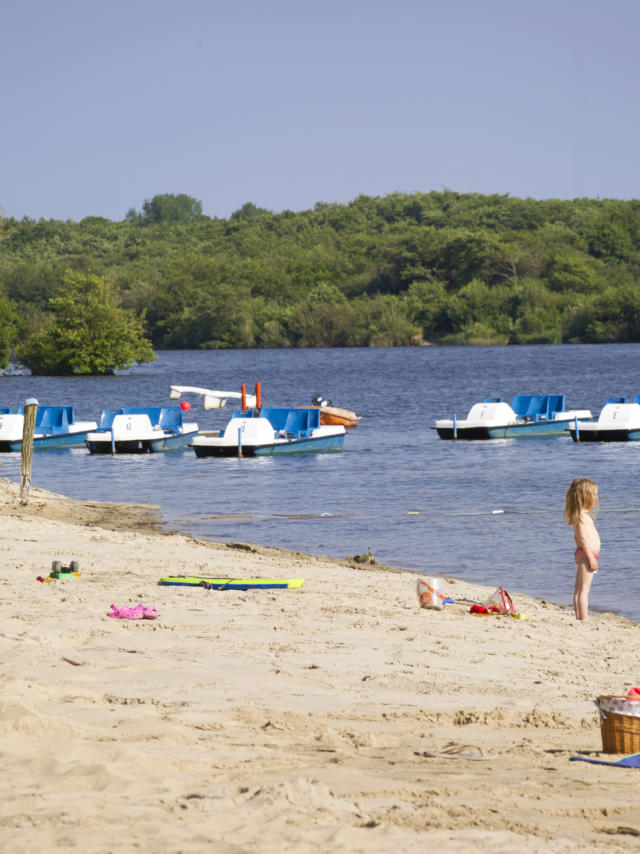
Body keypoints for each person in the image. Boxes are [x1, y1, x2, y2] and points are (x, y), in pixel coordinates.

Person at [564, 478, 600, 621]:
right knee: (584, 590)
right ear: (587, 497)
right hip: (586, 554)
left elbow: (577, 538)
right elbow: (582, 538)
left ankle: (579, 617)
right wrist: (590, 557)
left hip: (583, 554)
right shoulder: (581, 517)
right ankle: (583, 618)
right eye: (595, 495)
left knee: (578, 589)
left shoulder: (581, 515)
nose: (597, 498)